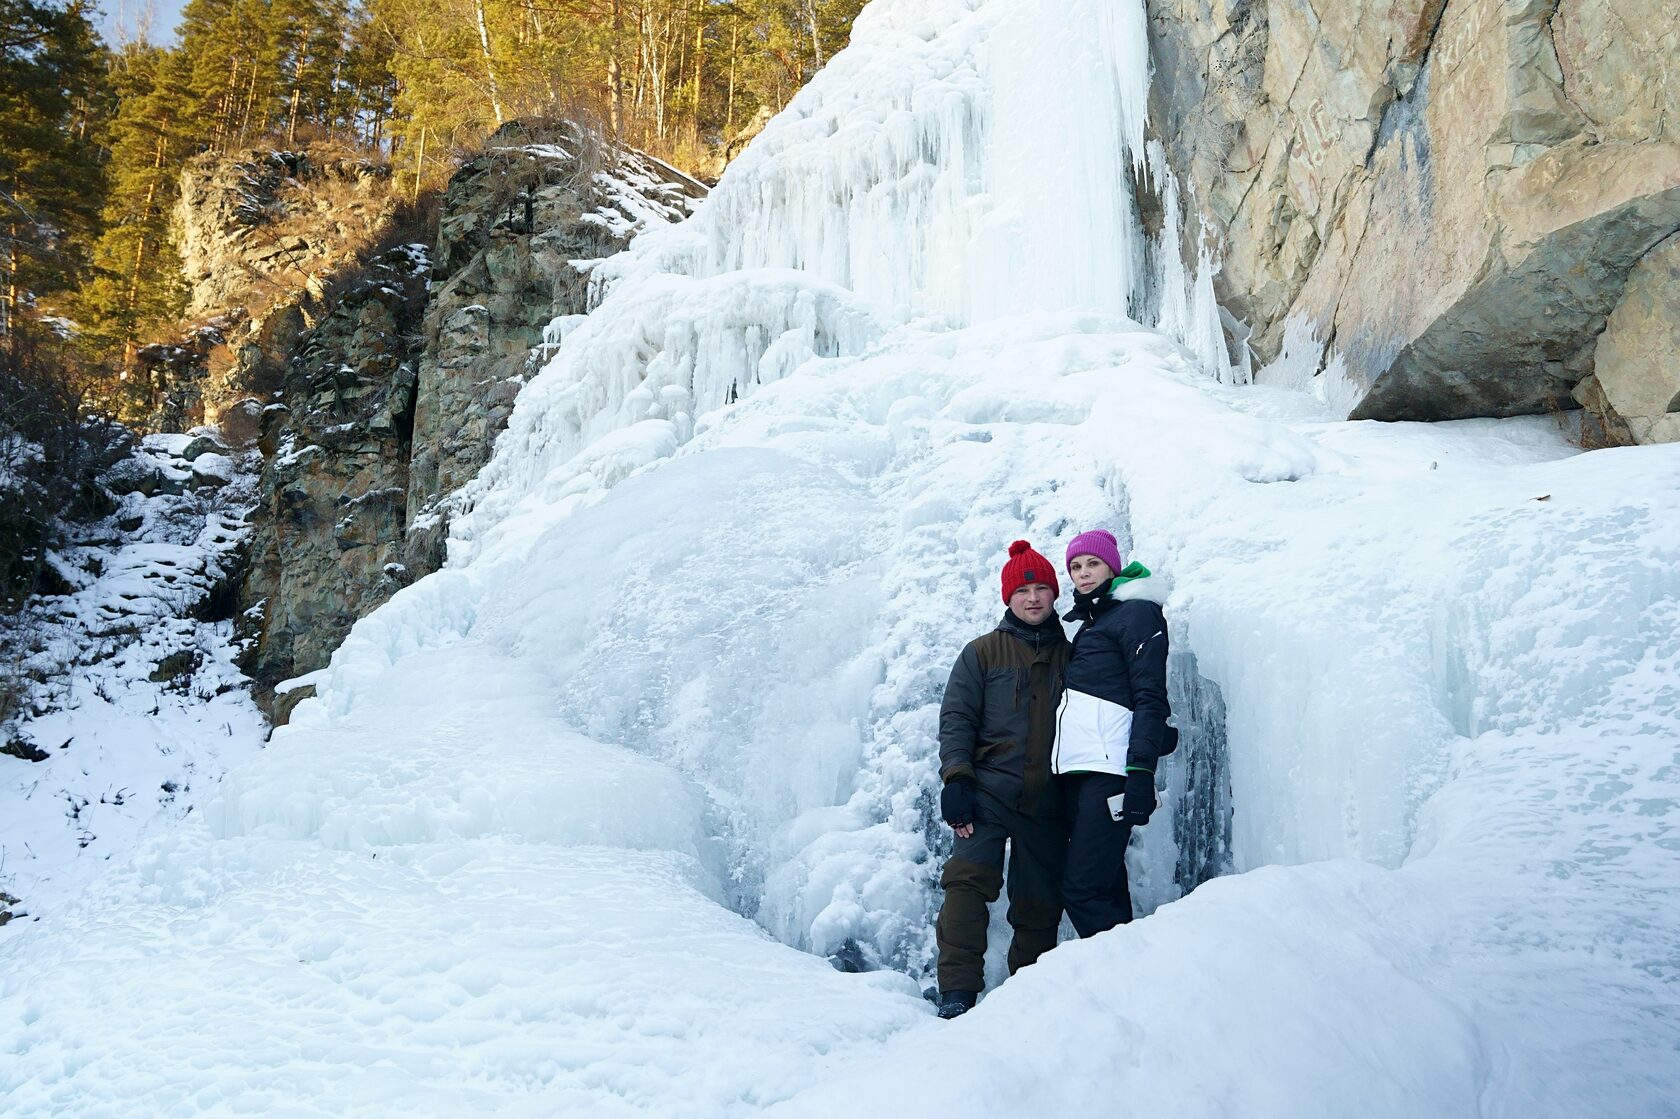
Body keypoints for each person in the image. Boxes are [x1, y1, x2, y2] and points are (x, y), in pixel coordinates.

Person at [932, 540, 1070, 1020]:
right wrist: (957, 780)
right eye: (1023, 590)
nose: (1033, 598)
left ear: (1055, 595)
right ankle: (956, 992)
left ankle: (1024, 1001)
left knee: (1038, 902)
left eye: (1041, 589)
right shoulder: (982, 653)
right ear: (1008, 598)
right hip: (987, 792)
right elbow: (957, 720)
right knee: (967, 884)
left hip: (1047, 799)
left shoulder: (1073, 656)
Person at [1052, 528, 1176, 938]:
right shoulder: (1095, 621)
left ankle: (1124, 981)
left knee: (1082, 889)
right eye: (1075, 567)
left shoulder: (1136, 612)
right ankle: (1125, 976)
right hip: (1083, 771)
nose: (1083, 574)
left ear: (1112, 567)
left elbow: (1149, 696)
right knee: (1103, 886)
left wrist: (1139, 772)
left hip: (1111, 772)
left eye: (1093, 564)